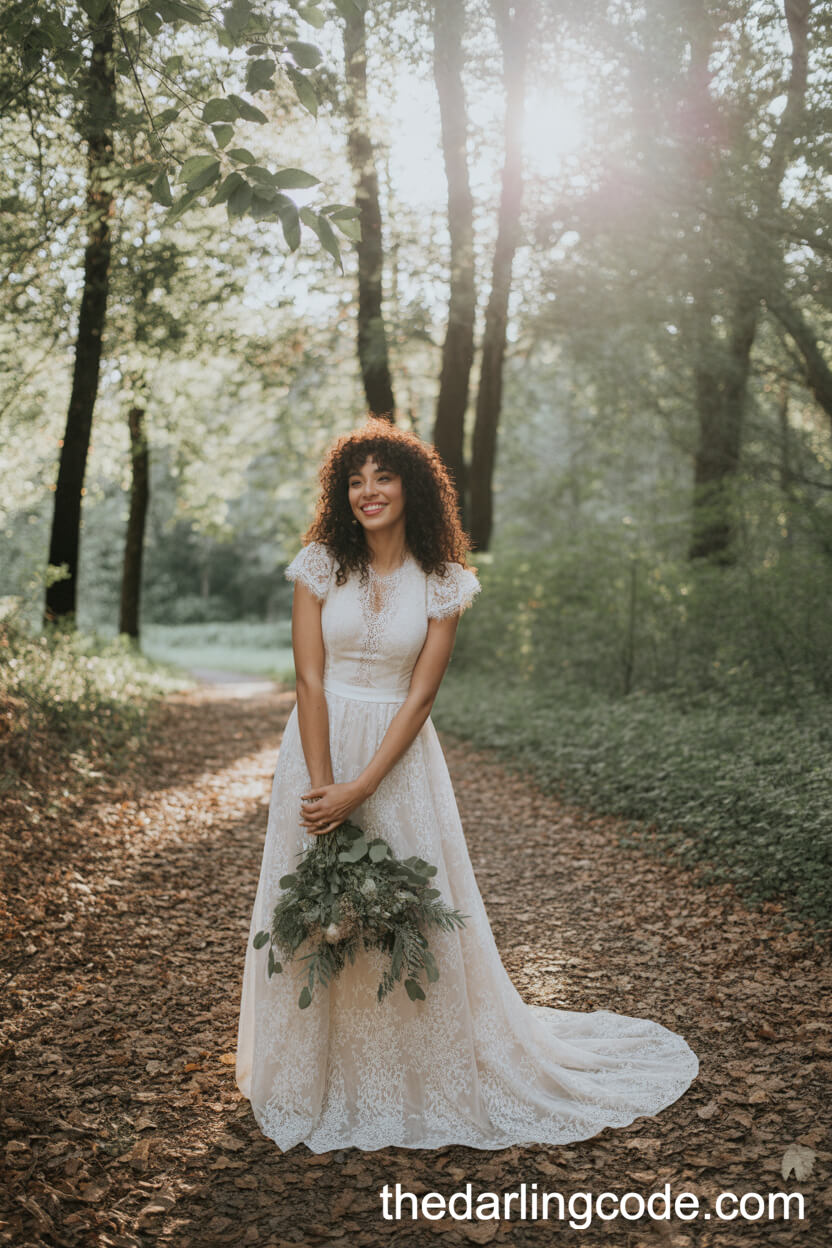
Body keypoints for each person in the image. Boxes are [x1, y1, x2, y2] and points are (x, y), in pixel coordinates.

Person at [235, 417, 699, 1154]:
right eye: (355, 480)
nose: (368, 491)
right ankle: (310, 1074)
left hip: (398, 759)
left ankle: (417, 1066)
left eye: (383, 476)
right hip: (317, 751)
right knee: (318, 907)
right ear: (341, 493)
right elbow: (310, 678)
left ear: (411, 486)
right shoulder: (320, 565)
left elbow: (421, 698)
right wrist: (325, 788)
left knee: (409, 911)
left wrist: (362, 789)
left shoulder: (444, 582)